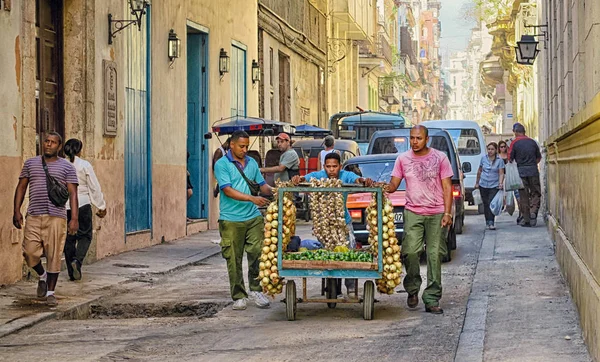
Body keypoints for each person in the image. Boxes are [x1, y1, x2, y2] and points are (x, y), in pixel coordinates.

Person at [385, 125, 453, 314]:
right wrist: (380, 186)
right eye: (412, 138)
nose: (414, 142)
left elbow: (447, 187)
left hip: (437, 213)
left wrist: (448, 213)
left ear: (427, 139)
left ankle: (432, 298)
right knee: (411, 252)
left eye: (418, 138)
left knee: (434, 255)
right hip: (413, 212)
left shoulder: (440, 158)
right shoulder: (403, 159)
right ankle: (412, 288)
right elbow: (393, 184)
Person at [291, 152, 374, 295]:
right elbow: (306, 178)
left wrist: (363, 180)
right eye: (328, 166)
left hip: (343, 222)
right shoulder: (319, 175)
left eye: (334, 166)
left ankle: (350, 285)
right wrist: (299, 178)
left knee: (348, 253)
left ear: (340, 166)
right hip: (324, 224)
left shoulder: (345, 175)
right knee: (327, 253)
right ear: (324, 166)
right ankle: (330, 282)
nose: (331, 170)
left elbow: (356, 179)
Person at [13, 132, 79, 306]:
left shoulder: (67, 167)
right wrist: (16, 211)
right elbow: (21, 187)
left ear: (59, 146)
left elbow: (73, 193)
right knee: (29, 251)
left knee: (54, 255)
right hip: (34, 214)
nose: (49, 144)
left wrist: (74, 218)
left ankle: (50, 292)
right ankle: (41, 275)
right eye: (46, 141)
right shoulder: (31, 163)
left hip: (56, 216)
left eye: (53, 142)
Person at [214, 130, 273, 310]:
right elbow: (227, 190)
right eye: (241, 146)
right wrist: (251, 198)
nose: (245, 149)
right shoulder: (222, 164)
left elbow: (262, 185)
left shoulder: (252, 163)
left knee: (257, 252)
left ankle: (256, 289)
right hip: (230, 219)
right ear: (231, 145)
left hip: (252, 216)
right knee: (234, 258)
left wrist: (278, 190)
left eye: (247, 146)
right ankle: (239, 295)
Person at [63, 139, 107, 281]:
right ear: (79, 150)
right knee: (85, 236)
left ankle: (72, 271)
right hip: (82, 204)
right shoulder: (84, 165)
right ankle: (77, 261)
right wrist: (101, 205)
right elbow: (93, 186)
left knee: (69, 238)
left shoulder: (61, 164)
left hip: (65, 206)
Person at [508, 123, 541, 227]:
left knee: (523, 195)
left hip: (521, 172)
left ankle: (526, 219)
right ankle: (533, 211)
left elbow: (510, 158)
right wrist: (532, 164)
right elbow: (538, 157)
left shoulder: (514, 143)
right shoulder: (532, 142)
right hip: (533, 170)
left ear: (516, 132)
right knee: (535, 192)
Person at [474, 142, 505, 230]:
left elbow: (501, 173)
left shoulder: (499, 160)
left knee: (492, 203)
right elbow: (479, 171)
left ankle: (491, 222)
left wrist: (500, 183)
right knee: (486, 204)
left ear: (496, 150)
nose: (490, 151)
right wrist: (477, 182)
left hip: (494, 185)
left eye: (492, 149)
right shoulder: (483, 159)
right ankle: (487, 221)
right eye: (489, 149)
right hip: (483, 184)